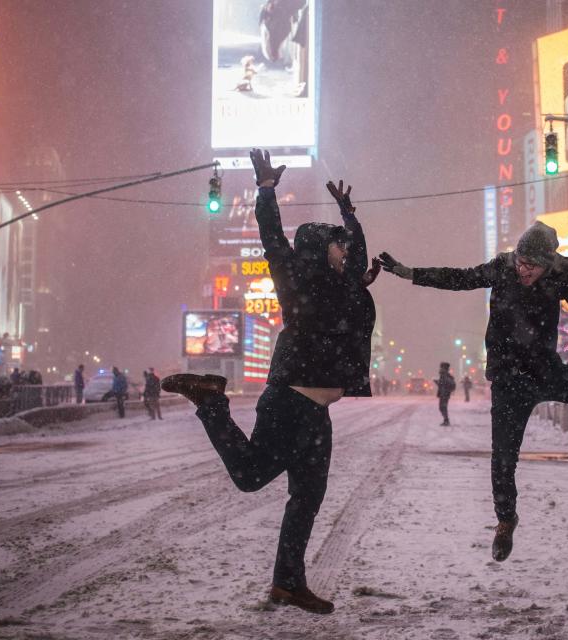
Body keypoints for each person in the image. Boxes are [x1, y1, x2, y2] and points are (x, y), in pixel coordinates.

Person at [162, 150, 379, 615]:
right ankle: (210, 401)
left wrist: (349, 216)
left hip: (316, 411)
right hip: (290, 403)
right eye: (338, 245)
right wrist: (265, 191)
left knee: (307, 498)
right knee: (250, 476)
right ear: (321, 247)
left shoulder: (345, 285)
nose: (345, 252)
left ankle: (287, 583)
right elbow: (271, 239)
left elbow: (359, 254)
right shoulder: (296, 276)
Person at [378, 221, 568, 563]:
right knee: (503, 458)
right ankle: (505, 520)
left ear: (547, 263)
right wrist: (410, 273)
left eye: (531, 266)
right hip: (508, 380)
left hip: (546, 371)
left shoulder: (561, 273)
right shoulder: (503, 267)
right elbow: (459, 278)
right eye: (520, 261)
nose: (523, 270)